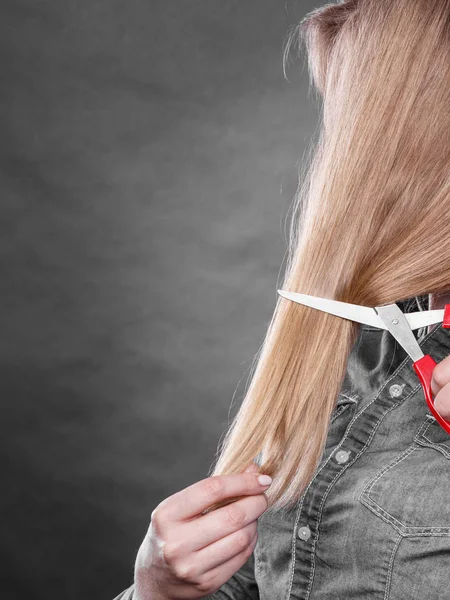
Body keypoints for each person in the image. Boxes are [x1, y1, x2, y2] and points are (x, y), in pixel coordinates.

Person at [114, 0, 450, 598]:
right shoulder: (367, 345)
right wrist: (159, 591)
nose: (341, 165)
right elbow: (265, 573)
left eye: (361, 131)